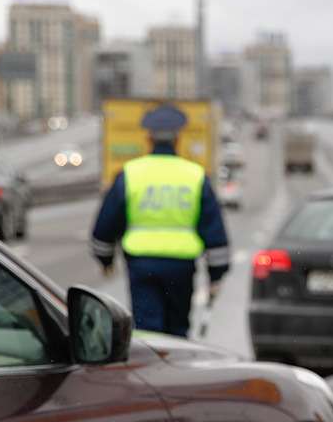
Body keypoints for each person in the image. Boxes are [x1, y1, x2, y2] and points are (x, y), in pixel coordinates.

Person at [90, 103, 229, 337]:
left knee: (147, 330)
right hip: (181, 267)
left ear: (148, 139)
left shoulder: (131, 173)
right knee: (177, 330)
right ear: (178, 140)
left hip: (142, 265)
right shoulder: (194, 175)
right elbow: (214, 230)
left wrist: (105, 260)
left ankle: (150, 371)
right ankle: (174, 371)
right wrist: (216, 275)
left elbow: (106, 223)